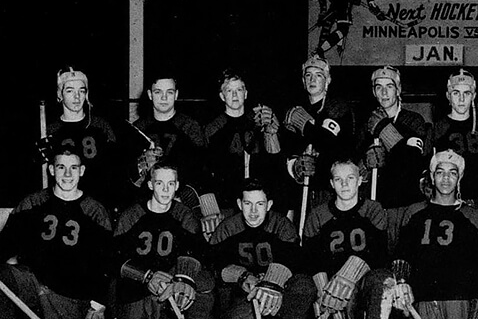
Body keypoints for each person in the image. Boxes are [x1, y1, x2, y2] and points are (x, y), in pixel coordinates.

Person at [0, 145, 113, 319]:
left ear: (82, 171)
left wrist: (98, 304)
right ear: (51, 170)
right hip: (33, 281)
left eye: (73, 168)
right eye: (61, 167)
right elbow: (9, 238)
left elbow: (104, 263)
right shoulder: (33, 202)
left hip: (68, 293)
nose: (67, 174)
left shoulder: (95, 211)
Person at [391, 150, 478, 319]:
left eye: (452, 173)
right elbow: (401, 254)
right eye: (440, 172)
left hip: (457, 300)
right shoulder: (415, 211)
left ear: (459, 177)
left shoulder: (472, 215)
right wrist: (402, 282)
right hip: (422, 298)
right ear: (431, 176)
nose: (446, 178)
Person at [112, 162, 218, 319]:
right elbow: (114, 258)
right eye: (160, 183)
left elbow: (197, 251)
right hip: (139, 282)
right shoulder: (132, 215)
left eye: (171, 184)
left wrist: (184, 278)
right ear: (150, 185)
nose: (166, 189)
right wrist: (145, 276)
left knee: (204, 281)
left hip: (172, 278)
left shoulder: (184, 214)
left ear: (177, 185)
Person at [208, 178, 315, 319]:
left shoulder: (281, 225)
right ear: (239, 204)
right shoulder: (227, 228)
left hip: (277, 297)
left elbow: (295, 259)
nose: (254, 211)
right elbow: (213, 266)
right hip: (245, 298)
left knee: (303, 284)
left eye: (260, 204)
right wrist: (240, 276)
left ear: (269, 204)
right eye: (248, 204)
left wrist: (272, 281)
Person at [303, 159, 397, 319]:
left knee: (382, 278)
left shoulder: (373, 209)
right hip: (334, 289)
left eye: (350, 178)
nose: (344, 184)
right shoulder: (317, 214)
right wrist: (323, 292)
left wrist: (351, 272)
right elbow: (310, 259)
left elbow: (379, 253)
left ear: (360, 180)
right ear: (331, 183)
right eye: (338, 179)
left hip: (362, 282)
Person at [430, 68, 478, 252]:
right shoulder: (436, 130)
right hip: (451, 202)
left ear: (473, 96)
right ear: (448, 96)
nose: (461, 99)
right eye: (456, 93)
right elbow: (428, 174)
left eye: (466, 93)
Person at [130, 72, 219, 238]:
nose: (164, 98)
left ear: (176, 94)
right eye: (158, 92)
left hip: (186, 202)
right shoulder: (138, 130)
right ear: (149, 94)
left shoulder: (191, 127)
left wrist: (210, 210)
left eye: (169, 92)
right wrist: (141, 167)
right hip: (148, 204)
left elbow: (204, 173)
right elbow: (130, 180)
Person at [203, 69, 290, 218]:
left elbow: (275, 162)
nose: (235, 95)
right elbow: (206, 170)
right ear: (222, 96)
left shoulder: (258, 122)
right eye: (229, 91)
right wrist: (211, 208)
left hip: (257, 199)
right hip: (227, 202)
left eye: (239, 90)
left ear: (246, 93)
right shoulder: (212, 129)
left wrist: (271, 133)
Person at [360, 65, 429, 254]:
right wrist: (365, 164)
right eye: (379, 87)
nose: (384, 93)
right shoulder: (366, 125)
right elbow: (355, 168)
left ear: (398, 90)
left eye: (389, 86)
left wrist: (384, 129)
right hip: (377, 206)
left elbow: (412, 160)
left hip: (407, 206)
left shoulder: (413, 121)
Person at [43, 66, 125, 215]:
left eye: (81, 91)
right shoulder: (50, 131)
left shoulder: (101, 126)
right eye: (70, 91)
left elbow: (116, 167)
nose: (77, 97)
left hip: (98, 204)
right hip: (63, 202)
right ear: (60, 94)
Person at [282, 55, 356, 214]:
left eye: (318, 75)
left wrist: (305, 125)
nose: (312, 80)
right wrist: (295, 166)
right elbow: (289, 148)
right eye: (308, 75)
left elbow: (325, 140)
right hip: (302, 188)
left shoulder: (336, 107)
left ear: (327, 80)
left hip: (329, 189)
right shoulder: (297, 108)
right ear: (303, 80)